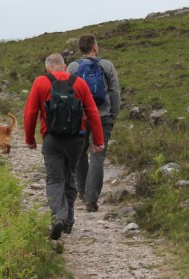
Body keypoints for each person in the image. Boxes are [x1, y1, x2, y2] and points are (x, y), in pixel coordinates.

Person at [24, 53, 105, 240]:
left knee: (54, 179)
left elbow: (30, 112)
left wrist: (30, 138)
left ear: (47, 67)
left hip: (52, 138)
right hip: (77, 139)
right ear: (65, 65)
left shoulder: (40, 82)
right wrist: (98, 140)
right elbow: (92, 112)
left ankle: (58, 217)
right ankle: (68, 220)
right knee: (70, 176)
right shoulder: (79, 83)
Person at [66, 34, 121, 212]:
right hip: (103, 116)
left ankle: (82, 192)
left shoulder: (73, 67)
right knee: (98, 156)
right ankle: (92, 200)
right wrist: (114, 113)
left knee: (81, 153)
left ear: (80, 49)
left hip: (79, 118)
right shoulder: (106, 65)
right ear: (95, 47)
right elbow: (114, 92)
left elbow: (67, 93)